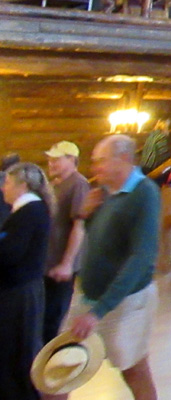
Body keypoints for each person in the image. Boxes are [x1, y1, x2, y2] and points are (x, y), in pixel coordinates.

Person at [71, 134, 161, 400]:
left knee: (134, 370)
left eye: (100, 161)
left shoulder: (144, 192)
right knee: (62, 365)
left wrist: (99, 311)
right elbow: (102, 241)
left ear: (123, 158)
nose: (94, 168)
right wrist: (86, 215)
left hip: (126, 301)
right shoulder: (105, 192)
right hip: (92, 298)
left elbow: (141, 257)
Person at [0, 162, 53, 400]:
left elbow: (9, 253)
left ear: (22, 185)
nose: (3, 188)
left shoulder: (29, 212)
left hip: (19, 295)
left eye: (8, 183)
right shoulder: (27, 211)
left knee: (16, 354)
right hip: (19, 291)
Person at [44, 141, 89, 345]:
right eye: (50, 159)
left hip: (61, 264)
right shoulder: (54, 184)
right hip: (47, 262)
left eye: (56, 159)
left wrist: (67, 263)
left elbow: (79, 226)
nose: (51, 163)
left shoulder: (78, 184)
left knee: (51, 319)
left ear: (71, 160)